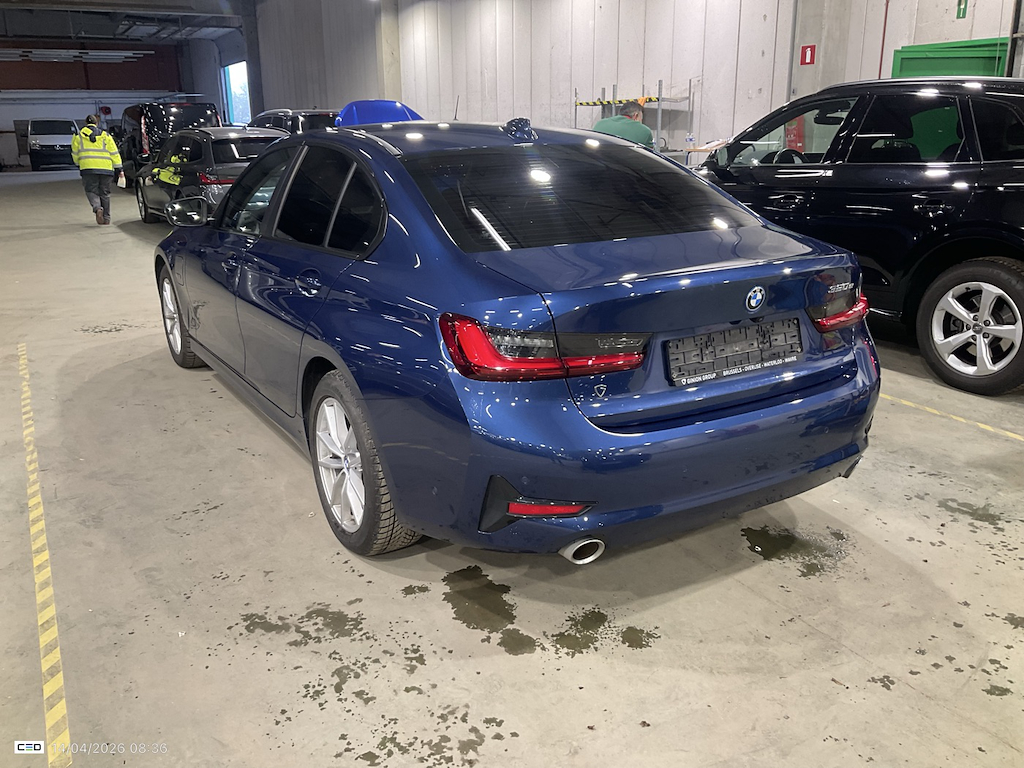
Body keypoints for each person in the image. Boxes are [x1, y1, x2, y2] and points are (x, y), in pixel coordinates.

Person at [71, 114, 124, 225]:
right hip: (106, 169)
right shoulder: (106, 136)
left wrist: (78, 163)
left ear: (86, 123)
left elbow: (75, 153)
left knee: (91, 190)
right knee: (105, 193)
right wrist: (119, 168)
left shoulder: (78, 136)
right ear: (96, 123)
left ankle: (97, 207)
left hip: (88, 168)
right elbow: (114, 153)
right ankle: (106, 218)